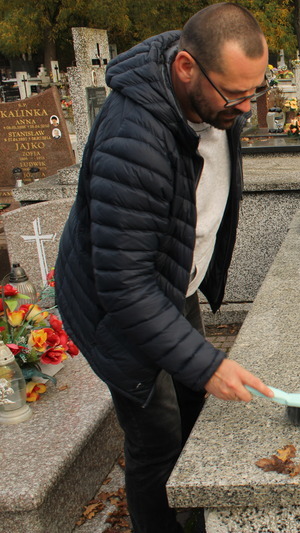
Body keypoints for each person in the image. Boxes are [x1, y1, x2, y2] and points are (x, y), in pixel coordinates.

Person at [55, 3, 273, 531]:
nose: (246, 108)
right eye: (235, 94)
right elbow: (124, 284)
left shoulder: (213, 99)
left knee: (194, 404)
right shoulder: (134, 140)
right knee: (157, 439)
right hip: (116, 310)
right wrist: (206, 363)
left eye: (255, 91)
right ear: (185, 68)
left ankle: (197, 517)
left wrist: (199, 362)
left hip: (172, 282)